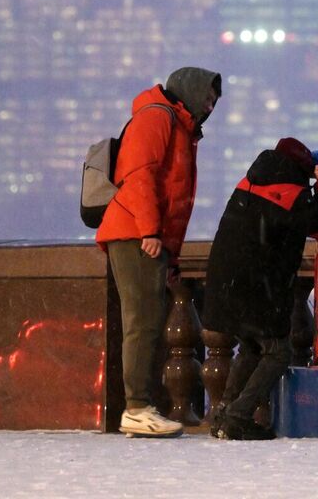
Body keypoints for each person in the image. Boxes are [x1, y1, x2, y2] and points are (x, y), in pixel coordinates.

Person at [95, 66, 221, 438]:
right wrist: (150, 230)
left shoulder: (178, 125)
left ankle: (140, 406)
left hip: (144, 234)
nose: (211, 105)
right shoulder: (156, 117)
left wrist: (172, 254)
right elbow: (140, 175)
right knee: (142, 321)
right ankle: (136, 408)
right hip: (135, 231)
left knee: (147, 320)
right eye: (209, 97)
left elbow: (173, 197)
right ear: (191, 91)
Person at [201, 138, 318, 440]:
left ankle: (224, 413)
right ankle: (237, 416)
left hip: (227, 280)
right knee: (278, 352)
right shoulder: (292, 193)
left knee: (252, 346)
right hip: (258, 286)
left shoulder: (251, 182)